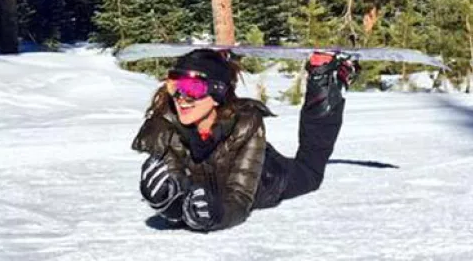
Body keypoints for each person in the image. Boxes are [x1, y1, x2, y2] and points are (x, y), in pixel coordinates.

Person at [132, 48, 357, 232]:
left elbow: (239, 198)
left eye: (193, 88)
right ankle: (220, 62)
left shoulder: (246, 123)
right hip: (215, 184)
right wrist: (168, 204)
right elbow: (180, 188)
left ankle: (327, 78)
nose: (181, 98)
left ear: (217, 92)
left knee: (310, 173)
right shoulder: (164, 129)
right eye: (175, 86)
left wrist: (216, 216)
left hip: (264, 179)